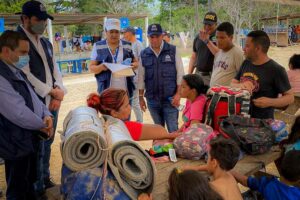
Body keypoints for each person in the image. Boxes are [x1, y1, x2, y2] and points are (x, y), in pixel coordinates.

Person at [17, 0, 67, 191]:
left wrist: (58, 92)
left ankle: (44, 178)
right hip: (32, 103)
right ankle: (35, 186)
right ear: (25, 19)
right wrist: (50, 91)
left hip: (52, 102)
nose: (43, 24)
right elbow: (24, 73)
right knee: (35, 146)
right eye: (39, 20)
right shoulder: (16, 41)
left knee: (48, 142)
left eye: (45, 20)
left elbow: (55, 69)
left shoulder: (45, 42)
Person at [0, 30, 53, 200]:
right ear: (6, 51)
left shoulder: (16, 70)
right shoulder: (1, 76)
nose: (26, 57)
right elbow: (18, 112)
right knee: (18, 187)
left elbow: (34, 97)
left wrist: (46, 114)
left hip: (26, 138)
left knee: (28, 181)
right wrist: (42, 124)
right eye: (22, 52)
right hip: (14, 141)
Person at [231, 30, 294, 119]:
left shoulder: (276, 70)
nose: (243, 48)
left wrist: (269, 102)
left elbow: (290, 97)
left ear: (258, 48)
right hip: (240, 118)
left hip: (262, 124)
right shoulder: (246, 63)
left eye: (247, 46)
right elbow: (232, 83)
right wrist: (241, 85)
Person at [138, 23, 184, 133]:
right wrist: (140, 97)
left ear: (162, 36)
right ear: (148, 37)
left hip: (170, 100)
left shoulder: (173, 50)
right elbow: (141, 77)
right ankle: (161, 151)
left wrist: (178, 94)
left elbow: (180, 74)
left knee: (173, 130)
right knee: (159, 132)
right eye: (151, 37)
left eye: (157, 36)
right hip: (152, 101)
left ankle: (175, 151)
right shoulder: (144, 54)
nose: (154, 39)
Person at [87, 88, 179, 141]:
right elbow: (161, 131)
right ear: (114, 113)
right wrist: (171, 135)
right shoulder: (124, 127)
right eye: (126, 106)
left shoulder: (102, 123)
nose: (130, 108)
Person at [89, 18, 138, 99]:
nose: (114, 35)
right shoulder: (98, 46)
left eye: (116, 32)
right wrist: (101, 67)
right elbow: (91, 68)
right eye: (111, 32)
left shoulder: (127, 45)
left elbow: (136, 63)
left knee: (126, 111)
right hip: (106, 94)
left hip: (125, 92)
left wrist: (133, 65)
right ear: (105, 31)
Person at [231, 150, 300, 200]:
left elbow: (245, 181)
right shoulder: (297, 195)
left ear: (280, 166)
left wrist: (231, 171)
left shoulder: (267, 182)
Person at [188, 11, 219, 86]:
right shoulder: (198, 37)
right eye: (205, 24)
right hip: (197, 74)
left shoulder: (219, 37)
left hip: (212, 76)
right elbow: (193, 57)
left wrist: (207, 41)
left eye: (210, 24)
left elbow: (219, 54)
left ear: (216, 24)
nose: (207, 27)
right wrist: (189, 75)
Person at [210, 22, 244, 87]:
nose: (218, 41)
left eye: (222, 38)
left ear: (231, 37)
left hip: (227, 95)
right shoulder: (219, 52)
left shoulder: (237, 53)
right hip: (214, 94)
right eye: (217, 37)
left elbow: (242, 77)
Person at [122, 26, 144, 122]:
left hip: (136, 77)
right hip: (128, 77)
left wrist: (132, 65)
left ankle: (140, 122)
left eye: (125, 33)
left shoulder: (138, 45)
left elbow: (142, 62)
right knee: (130, 101)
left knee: (134, 102)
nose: (123, 35)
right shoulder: (127, 45)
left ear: (130, 33)